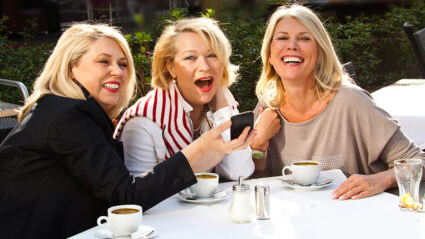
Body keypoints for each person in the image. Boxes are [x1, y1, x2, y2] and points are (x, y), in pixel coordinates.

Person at [0, 23, 255, 238]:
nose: (117, 71)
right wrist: (198, 150)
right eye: (103, 61)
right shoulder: (68, 116)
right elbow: (126, 198)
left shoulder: (64, 112)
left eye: (123, 64)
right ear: (71, 68)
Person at [251, 4, 425, 200]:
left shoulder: (350, 101)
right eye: (282, 38)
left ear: (319, 52)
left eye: (305, 38)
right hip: (299, 225)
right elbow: (257, 184)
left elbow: (418, 161)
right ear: (270, 55)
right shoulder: (266, 107)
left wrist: (380, 180)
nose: (292, 45)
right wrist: (258, 144)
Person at [114, 17, 255, 180]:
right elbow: (139, 195)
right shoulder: (143, 122)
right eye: (190, 58)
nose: (204, 66)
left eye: (212, 55)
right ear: (171, 67)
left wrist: (222, 111)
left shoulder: (223, 103)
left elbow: (239, 173)